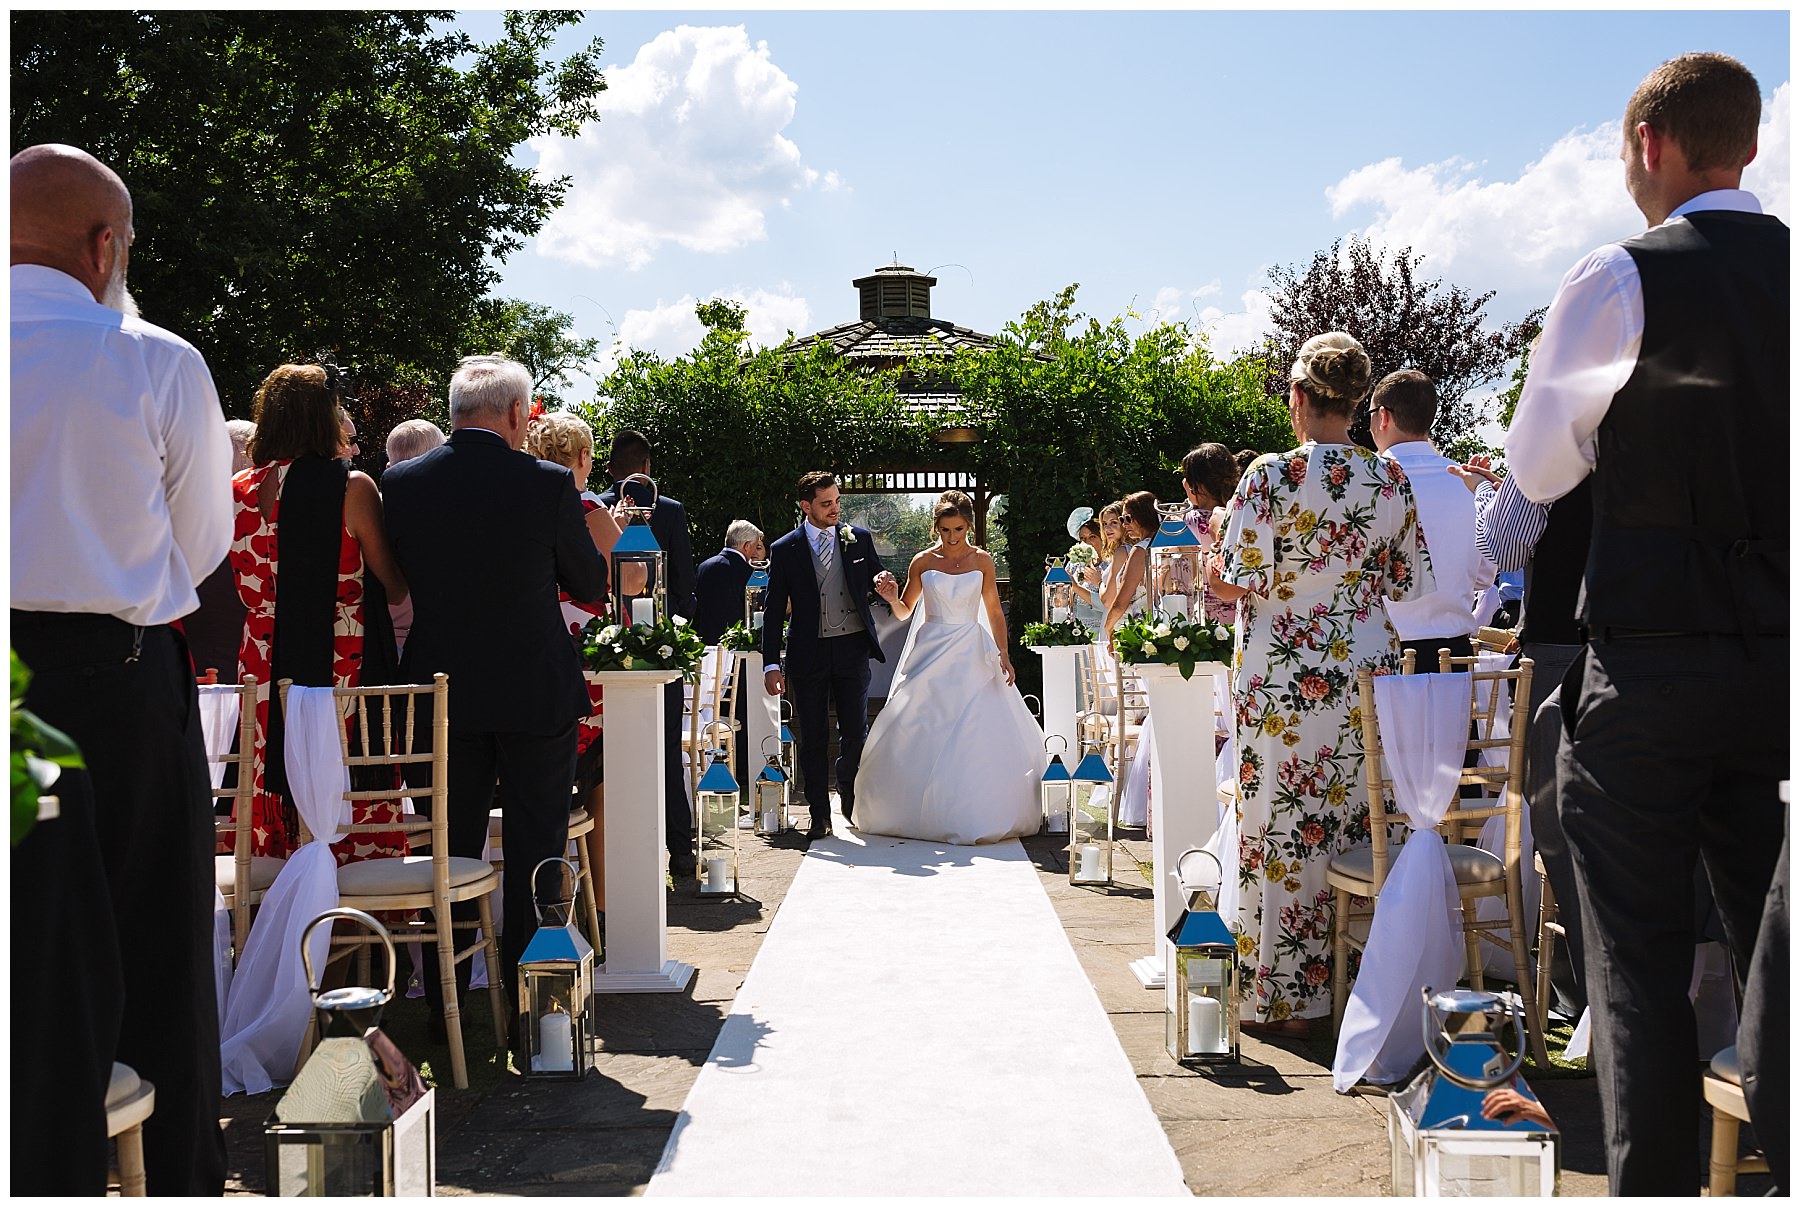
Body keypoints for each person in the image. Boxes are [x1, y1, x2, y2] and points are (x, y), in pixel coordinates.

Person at [1502, 53, 1786, 1195]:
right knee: (1785, 954)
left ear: (1652, 145)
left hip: (1653, 665)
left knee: (1635, 964)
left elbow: (1538, 463)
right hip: (1786, 674)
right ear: (1751, 148)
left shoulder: (1619, 279)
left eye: (1627, 151)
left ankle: (1657, 1186)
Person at [11, 142, 233, 1195]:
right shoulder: (155, 359)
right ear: (105, 246)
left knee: (27, 972)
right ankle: (177, 1175)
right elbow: (197, 548)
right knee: (161, 955)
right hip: (122, 677)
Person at [1204, 331, 1434, 1034]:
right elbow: (1410, 583)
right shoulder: (1390, 479)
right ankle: (1355, 984)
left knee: (1279, 830)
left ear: (1300, 398)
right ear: (1359, 400)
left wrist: (1220, 563)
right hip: (1363, 672)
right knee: (1354, 820)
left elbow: (1230, 578)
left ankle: (1286, 999)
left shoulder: (1269, 475)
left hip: (1282, 676)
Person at [382, 354, 608, 1043]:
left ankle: (435, 999)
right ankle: (531, 1008)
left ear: (454, 413)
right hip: (534, 687)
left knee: (447, 846)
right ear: (517, 415)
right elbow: (590, 583)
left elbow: (401, 575)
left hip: (441, 694)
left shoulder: (403, 483)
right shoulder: (544, 482)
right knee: (540, 846)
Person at [228, 364, 411, 862]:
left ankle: (280, 889)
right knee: (345, 776)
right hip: (340, 665)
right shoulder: (351, 488)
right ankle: (355, 910)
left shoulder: (238, 490)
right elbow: (393, 584)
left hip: (262, 666)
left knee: (272, 772)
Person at [1454, 458, 1594, 1019]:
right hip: (1659, 646)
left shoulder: (1554, 444)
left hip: (1562, 645)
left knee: (1557, 820)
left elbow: (1502, 550)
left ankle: (1577, 987)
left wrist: (1487, 496)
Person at [854, 491, 1043, 844]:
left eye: (958, 529)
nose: (952, 537)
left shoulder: (983, 560)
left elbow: (994, 611)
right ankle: (910, 806)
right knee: (920, 720)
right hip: (932, 649)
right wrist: (893, 597)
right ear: (935, 528)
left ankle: (972, 807)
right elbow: (906, 611)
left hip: (971, 648)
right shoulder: (923, 562)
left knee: (976, 725)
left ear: (969, 525)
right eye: (944, 530)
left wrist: (1003, 652)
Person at [760, 470, 899, 838]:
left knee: (855, 731)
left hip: (852, 647)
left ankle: (851, 799)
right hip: (809, 652)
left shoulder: (859, 540)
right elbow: (774, 610)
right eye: (826, 504)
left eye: (837, 501)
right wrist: (771, 662)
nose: (835, 508)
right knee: (814, 734)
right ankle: (819, 815)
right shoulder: (784, 549)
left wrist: (883, 586)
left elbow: (876, 580)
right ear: (806, 506)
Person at [596, 429, 700, 878]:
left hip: (603, 649)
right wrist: (670, 629)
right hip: (661, 649)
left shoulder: (595, 510)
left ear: (611, 469)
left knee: (607, 758)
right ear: (648, 469)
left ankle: (620, 863)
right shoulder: (671, 511)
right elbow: (685, 586)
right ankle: (680, 854)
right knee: (664, 751)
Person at [1368, 369, 1494, 665]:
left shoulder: (1366, 480)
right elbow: (1485, 576)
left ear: (1383, 416)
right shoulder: (1467, 482)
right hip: (1455, 653)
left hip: (1387, 651)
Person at [1178, 442, 1240, 627]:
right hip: (1241, 615)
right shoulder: (1241, 516)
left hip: (1201, 621)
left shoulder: (1185, 523)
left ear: (1197, 485)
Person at [696, 519, 766, 645]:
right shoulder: (748, 573)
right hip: (736, 644)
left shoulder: (703, 567)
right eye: (755, 546)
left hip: (705, 643)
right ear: (747, 546)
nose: (755, 552)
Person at [1101, 490, 1157, 637]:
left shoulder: (1140, 550)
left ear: (1142, 517)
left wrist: (1108, 628)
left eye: (1128, 518)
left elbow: (1120, 603)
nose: (1124, 524)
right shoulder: (1166, 546)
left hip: (1137, 632)